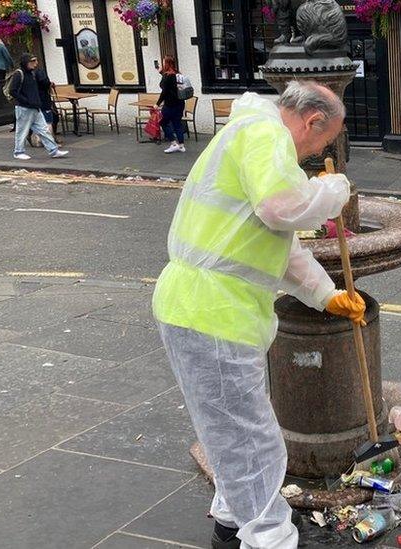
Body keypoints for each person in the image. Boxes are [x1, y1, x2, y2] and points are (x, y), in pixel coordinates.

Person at [153, 82, 366, 549]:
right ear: (311, 121)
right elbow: (281, 209)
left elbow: (275, 245)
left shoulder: (251, 138)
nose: (319, 152)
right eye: (324, 142)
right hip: (211, 312)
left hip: (204, 308)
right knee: (251, 438)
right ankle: (270, 538)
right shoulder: (263, 134)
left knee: (230, 430)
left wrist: (326, 295)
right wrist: (334, 190)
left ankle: (233, 522)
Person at [10, 54, 68, 160]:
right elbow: (12, 91)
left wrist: (36, 102)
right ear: (26, 62)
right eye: (33, 61)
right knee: (22, 131)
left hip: (35, 108)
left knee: (44, 130)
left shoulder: (32, 73)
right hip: (24, 108)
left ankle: (53, 151)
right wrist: (26, 101)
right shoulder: (19, 74)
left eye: (36, 60)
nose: (36, 63)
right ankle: (18, 152)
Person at [155, 56, 186, 154]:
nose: (163, 64)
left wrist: (157, 103)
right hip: (180, 103)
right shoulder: (178, 74)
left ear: (167, 64)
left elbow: (164, 91)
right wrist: (160, 72)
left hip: (170, 104)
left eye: (164, 63)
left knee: (163, 122)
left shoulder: (167, 76)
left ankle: (173, 144)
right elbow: (171, 84)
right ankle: (181, 146)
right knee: (177, 124)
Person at [30, 65, 61, 147]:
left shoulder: (28, 74)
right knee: (48, 122)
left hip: (33, 101)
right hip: (43, 100)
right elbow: (44, 82)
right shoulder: (40, 71)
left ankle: (37, 140)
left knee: (37, 122)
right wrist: (49, 84)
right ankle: (50, 142)